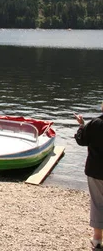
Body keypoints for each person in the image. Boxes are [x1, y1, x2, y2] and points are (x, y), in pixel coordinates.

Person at [74, 105, 103, 250]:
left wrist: (81, 125)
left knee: (98, 203)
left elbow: (80, 140)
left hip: (96, 170)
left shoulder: (95, 123)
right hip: (96, 171)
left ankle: (97, 239)